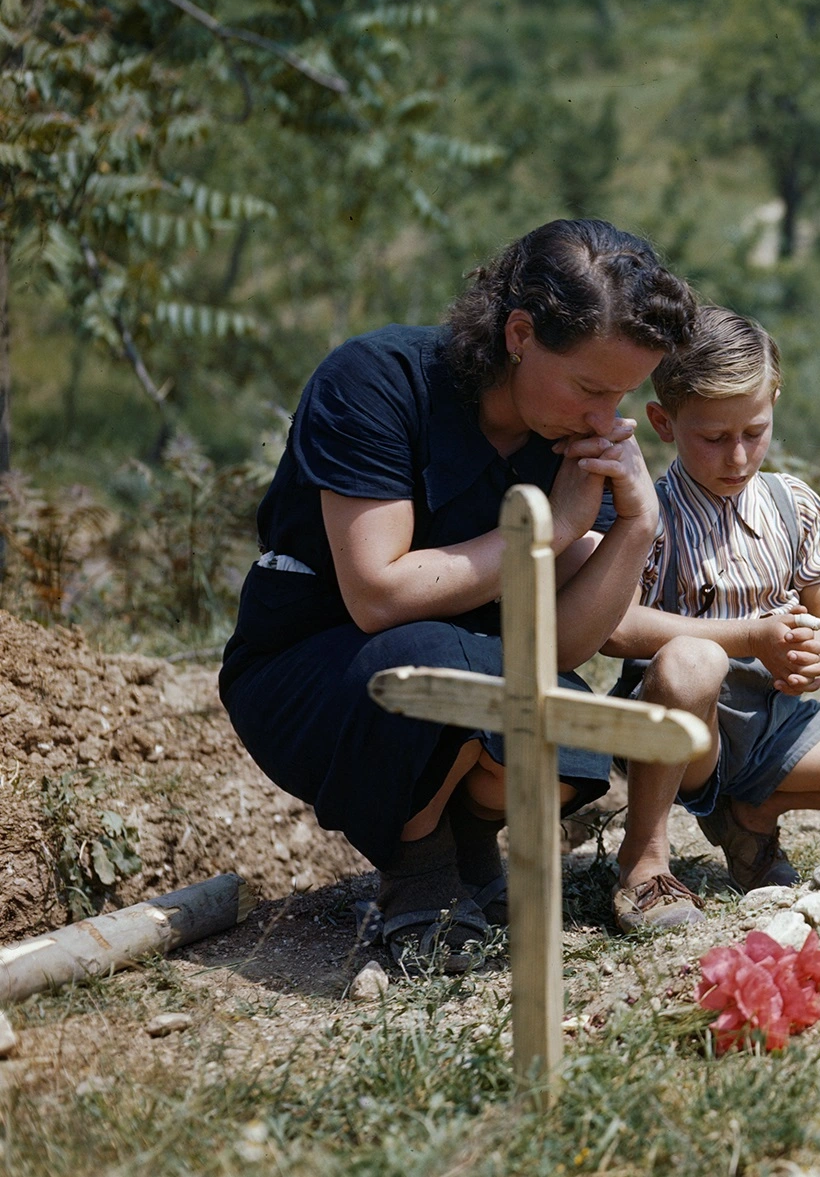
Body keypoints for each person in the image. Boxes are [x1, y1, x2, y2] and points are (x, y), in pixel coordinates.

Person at [220, 218, 696, 972]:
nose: (606, 418)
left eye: (623, 394)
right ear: (518, 332)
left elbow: (564, 645)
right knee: (438, 662)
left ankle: (463, 843)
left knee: (565, 721)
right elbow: (378, 594)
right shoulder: (375, 380)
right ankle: (421, 870)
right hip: (313, 670)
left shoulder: (571, 438)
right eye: (589, 387)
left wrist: (638, 525)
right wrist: (552, 526)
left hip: (465, 663)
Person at [600, 306, 820, 931]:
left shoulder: (793, 504)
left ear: (774, 404)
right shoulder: (650, 515)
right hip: (683, 731)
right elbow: (619, 628)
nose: (737, 457)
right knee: (693, 660)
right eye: (714, 438)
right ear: (663, 422)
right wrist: (752, 637)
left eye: (754, 432)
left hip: (772, 722)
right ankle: (644, 862)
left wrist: (813, 652)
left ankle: (748, 819)